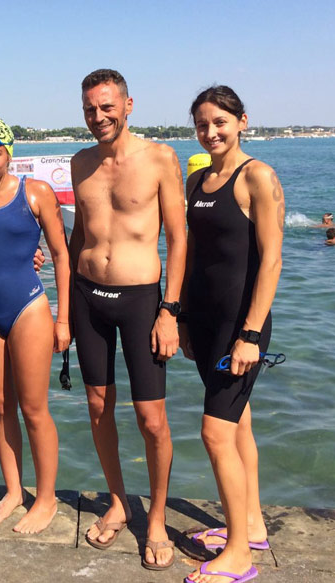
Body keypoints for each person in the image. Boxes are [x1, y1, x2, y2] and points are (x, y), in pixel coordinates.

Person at [69, 69, 186, 570]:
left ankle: (155, 517)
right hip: (86, 294)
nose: (99, 117)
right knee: (98, 406)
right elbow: (78, 236)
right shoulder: (79, 163)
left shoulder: (160, 158)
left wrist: (170, 310)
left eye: (106, 107)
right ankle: (118, 501)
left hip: (142, 299)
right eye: (90, 110)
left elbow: (179, 239)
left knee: (151, 419)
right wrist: (64, 306)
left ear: (128, 105)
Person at [181, 85, 283, 583]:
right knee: (237, 424)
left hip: (240, 330)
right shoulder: (198, 181)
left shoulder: (257, 177)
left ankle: (240, 555)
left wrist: (249, 333)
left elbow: (271, 261)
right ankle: (252, 525)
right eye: (202, 124)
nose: (211, 131)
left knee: (214, 432)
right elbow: (197, 257)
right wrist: (181, 319)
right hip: (204, 323)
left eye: (220, 121)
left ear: (242, 121)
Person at [0, 117, 70, 533]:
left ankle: (46, 497)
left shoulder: (35, 193)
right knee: (0, 407)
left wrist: (64, 318)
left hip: (29, 307)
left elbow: (60, 255)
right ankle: (14, 490)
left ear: (9, 154)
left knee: (34, 408)